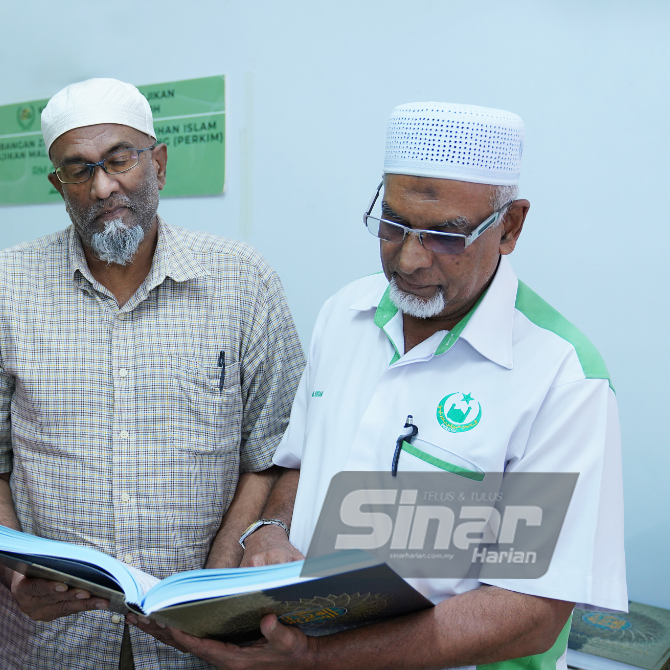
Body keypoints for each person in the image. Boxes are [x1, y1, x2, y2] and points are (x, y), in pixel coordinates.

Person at [170, 102, 627, 669]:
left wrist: (321, 658)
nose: (409, 259)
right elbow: (304, 462)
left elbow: (530, 610)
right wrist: (271, 528)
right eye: (393, 224)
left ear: (509, 227)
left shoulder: (561, 376)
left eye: (444, 235)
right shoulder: (345, 314)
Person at [0, 78, 305, 669]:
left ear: (157, 162)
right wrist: (17, 573)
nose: (102, 186)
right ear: (58, 184)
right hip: (43, 643)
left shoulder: (243, 282)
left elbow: (273, 453)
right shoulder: (0, 286)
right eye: (78, 170)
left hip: (199, 642)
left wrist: (216, 576)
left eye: (119, 160)